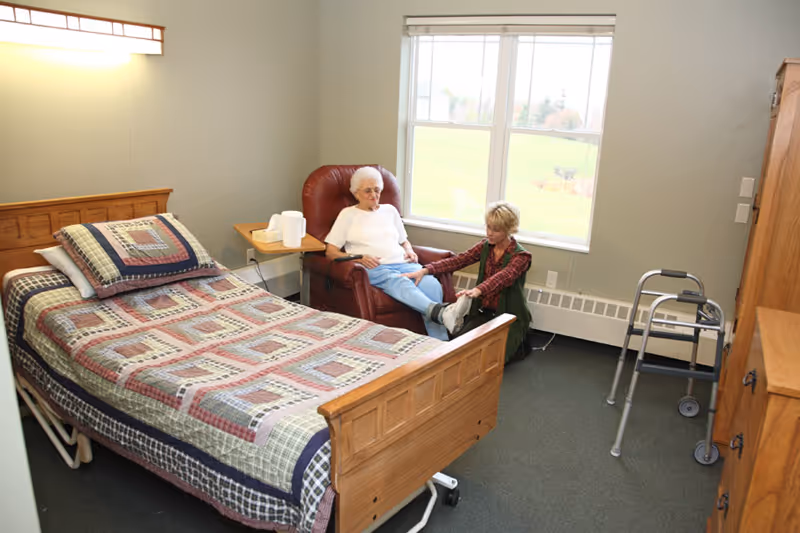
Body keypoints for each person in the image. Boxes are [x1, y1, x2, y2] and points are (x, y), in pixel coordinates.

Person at [324, 166, 471, 341]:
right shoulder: (348, 215)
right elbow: (330, 252)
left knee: (431, 284)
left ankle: (439, 342)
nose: (374, 194)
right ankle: (442, 314)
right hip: (374, 267)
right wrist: (359, 258)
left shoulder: (390, 210)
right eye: (368, 191)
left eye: (377, 190)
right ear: (355, 193)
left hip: (403, 263)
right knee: (399, 282)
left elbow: (404, 240)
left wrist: (409, 250)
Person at [402, 201, 532, 363]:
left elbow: (503, 277)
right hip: (483, 312)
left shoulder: (521, 257)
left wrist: (478, 290)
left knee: (491, 361)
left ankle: (521, 342)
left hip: (507, 316)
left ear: (508, 229)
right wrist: (426, 270)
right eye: (488, 227)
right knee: (458, 351)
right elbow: (459, 260)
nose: (489, 233)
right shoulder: (486, 246)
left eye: (495, 230)